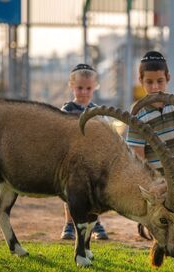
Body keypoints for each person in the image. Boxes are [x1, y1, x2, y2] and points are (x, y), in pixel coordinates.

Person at [126, 51, 174, 239]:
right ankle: (145, 223)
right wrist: (148, 183)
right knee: (160, 223)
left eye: (160, 81)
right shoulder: (138, 113)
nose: (155, 87)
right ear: (141, 81)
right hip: (156, 183)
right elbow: (138, 155)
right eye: (149, 82)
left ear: (168, 78)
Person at [60, 63, 109, 240]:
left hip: (92, 160)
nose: (84, 92)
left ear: (94, 87)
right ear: (71, 86)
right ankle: (69, 224)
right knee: (71, 194)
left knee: (95, 193)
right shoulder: (66, 111)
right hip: (72, 160)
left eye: (88, 88)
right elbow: (61, 135)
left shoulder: (98, 111)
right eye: (79, 87)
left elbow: (105, 135)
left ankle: (95, 224)